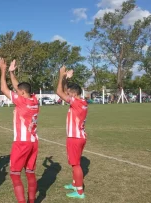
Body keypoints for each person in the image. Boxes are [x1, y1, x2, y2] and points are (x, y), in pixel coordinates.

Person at [0, 58, 39, 203]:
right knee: (30, 172)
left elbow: (4, 89)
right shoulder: (34, 100)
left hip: (22, 142)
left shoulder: (21, 101)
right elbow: (19, 87)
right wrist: (11, 73)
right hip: (34, 142)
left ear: (22, 93)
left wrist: (3, 70)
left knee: (15, 174)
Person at [56, 66, 88, 199]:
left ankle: (80, 192)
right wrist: (66, 79)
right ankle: (75, 184)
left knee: (76, 164)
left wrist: (61, 75)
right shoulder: (81, 101)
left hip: (75, 138)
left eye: (69, 94)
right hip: (79, 136)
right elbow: (64, 90)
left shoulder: (76, 102)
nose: (67, 95)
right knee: (75, 162)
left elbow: (59, 92)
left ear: (74, 94)